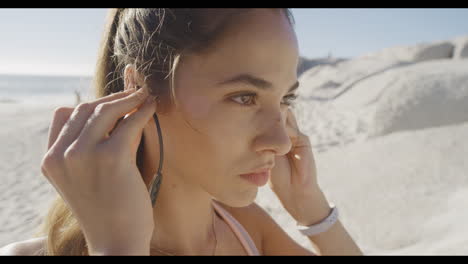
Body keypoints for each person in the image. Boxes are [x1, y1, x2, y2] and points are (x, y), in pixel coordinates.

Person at [0, 8, 362, 256]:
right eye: (244, 97)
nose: (281, 141)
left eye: (286, 99)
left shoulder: (247, 230)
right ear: (137, 91)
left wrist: (311, 208)